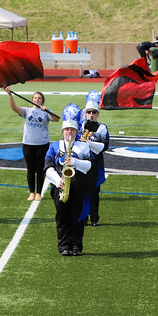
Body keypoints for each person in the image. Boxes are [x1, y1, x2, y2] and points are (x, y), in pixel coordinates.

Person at [44, 104, 96, 255]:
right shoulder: (55, 146)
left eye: (72, 130)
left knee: (78, 218)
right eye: (66, 129)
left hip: (79, 186)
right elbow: (47, 167)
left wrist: (76, 162)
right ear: (62, 131)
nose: (69, 132)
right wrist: (57, 181)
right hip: (60, 186)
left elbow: (90, 167)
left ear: (76, 131)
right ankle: (64, 246)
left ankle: (77, 246)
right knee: (62, 218)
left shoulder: (83, 147)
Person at [6, 86, 59, 200]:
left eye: (39, 98)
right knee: (30, 169)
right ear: (32, 99)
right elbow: (14, 108)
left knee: (40, 169)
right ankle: (31, 192)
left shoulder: (45, 112)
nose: (37, 99)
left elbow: (57, 119)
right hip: (28, 144)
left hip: (42, 144)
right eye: (35, 98)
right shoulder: (27, 111)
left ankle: (39, 192)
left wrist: (48, 110)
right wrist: (10, 95)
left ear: (42, 100)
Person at [80, 91, 109, 226]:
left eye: (94, 112)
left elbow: (105, 146)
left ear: (97, 114)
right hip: (81, 162)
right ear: (85, 113)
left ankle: (94, 218)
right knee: (81, 192)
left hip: (95, 163)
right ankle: (83, 217)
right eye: (89, 112)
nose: (91, 114)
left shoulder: (102, 127)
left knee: (94, 192)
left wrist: (89, 143)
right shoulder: (78, 126)